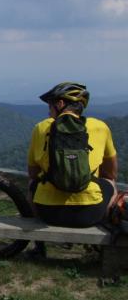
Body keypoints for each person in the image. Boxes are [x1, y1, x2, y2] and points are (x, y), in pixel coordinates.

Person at [28, 82, 118, 228]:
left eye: (50, 106)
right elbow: (111, 172)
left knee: (32, 182)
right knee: (110, 182)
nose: (49, 111)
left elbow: (33, 173)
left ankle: (38, 244)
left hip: (49, 214)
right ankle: (104, 234)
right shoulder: (100, 127)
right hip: (90, 214)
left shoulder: (41, 127)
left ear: (60, 103)